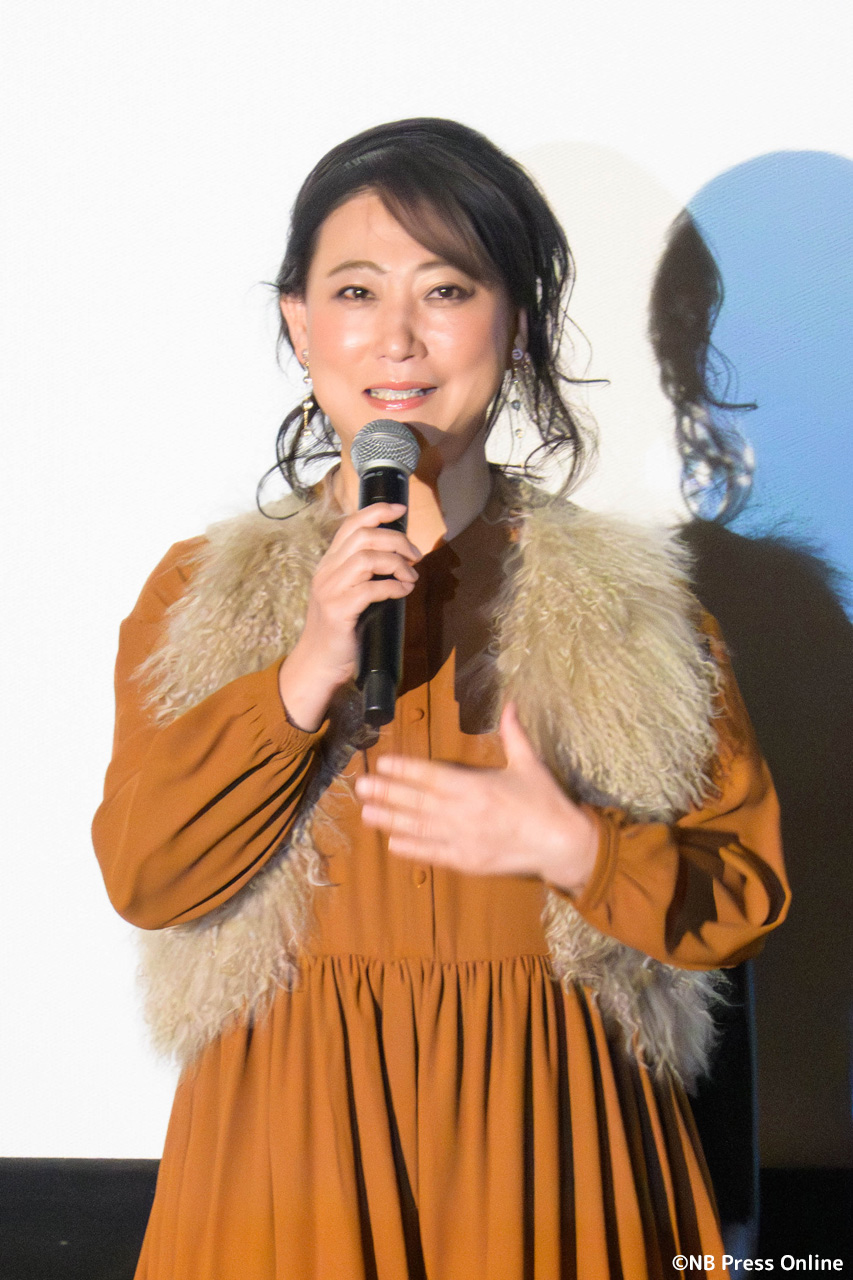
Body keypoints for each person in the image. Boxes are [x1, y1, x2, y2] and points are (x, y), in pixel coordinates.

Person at [92, 118, 789, 1280]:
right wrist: (302, 674)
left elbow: (743, 892)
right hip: (288, 1150)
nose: (398, 336)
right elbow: (147, 875)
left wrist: (579, 850)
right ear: (298, 320)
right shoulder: (198, 595)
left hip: (557, 1144)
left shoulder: (634, 606)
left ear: (514, 322)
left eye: (448, 288)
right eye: (355, 290)